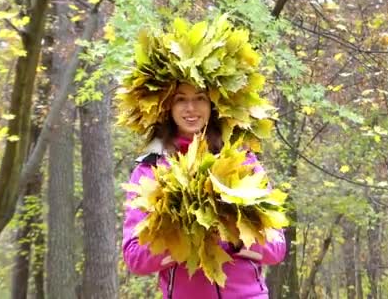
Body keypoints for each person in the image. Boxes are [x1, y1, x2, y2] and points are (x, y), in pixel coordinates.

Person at [122, 82, 286, 299]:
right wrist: (183, 237)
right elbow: (135, 258)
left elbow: (276, 248)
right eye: (180, 99)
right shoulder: (150, 170)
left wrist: (233, 236)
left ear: (213, 105)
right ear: (167, 106)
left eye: (200, 98)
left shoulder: (242, 160)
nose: (191, 108)